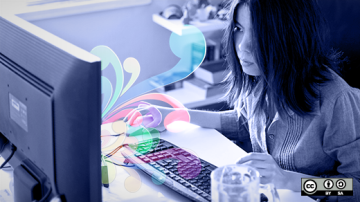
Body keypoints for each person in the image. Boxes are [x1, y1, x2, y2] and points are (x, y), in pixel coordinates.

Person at [128, 0, 360, 201]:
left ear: (289, 35)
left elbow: (354, 187)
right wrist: (176, 115)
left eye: (260, 32)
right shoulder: (262, 77)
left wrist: (289, 180)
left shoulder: (337, 100)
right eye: (239, 28)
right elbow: (244, 122)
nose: (242, 45)